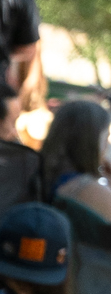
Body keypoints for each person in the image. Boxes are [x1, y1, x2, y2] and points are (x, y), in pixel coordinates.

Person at [39, 97, 111, 226]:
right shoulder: (84, 187)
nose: (107, 144)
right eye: (105, 137)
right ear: (92, 142)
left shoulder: (38, 172)